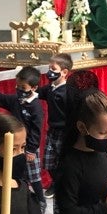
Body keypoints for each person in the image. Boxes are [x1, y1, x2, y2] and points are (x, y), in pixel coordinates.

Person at [0, 66, 46, 213]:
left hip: (29, 147)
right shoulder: (15, 99)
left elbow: (36, 129)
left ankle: (41, 200)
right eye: (17, 86)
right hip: (14, 145)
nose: (19, 89)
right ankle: (23, 198)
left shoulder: (35, 106)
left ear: (33, 88)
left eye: (23, 87)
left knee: (33, 176)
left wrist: (32, 149)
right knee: (19, 174)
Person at [36, 53, 73, 199]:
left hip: (64, 132)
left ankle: (64, 186)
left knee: (63, 160)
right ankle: (56, 182)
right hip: (52, 130)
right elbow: (38, 92)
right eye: (49, 67)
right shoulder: (50, 88)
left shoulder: (67, 92)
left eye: (53, 68)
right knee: (49, 160)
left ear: (64, 72)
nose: (49, 71)